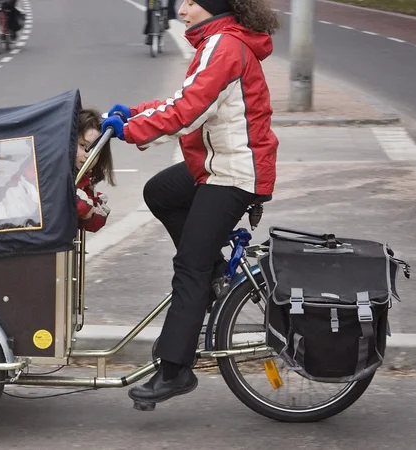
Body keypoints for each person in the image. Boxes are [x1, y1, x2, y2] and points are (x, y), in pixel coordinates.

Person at [100, 0, 280, 406]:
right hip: (220, 165)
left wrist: (131, 130)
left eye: (190, 2)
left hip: (236, 173)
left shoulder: (224, 46)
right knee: (160, 191)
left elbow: (187, 111)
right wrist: (135, 112)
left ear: (213, 6)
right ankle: (215, 272)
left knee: (189, 269)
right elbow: (187, 98)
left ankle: (174, 370)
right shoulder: (219, 41)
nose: (181, 9)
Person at [75, 108, 116, 232]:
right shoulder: (51, 170)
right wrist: (84, 207)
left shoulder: (85, 180)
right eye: (83, 146)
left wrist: (90, 212)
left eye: (95, 151)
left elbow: (96, 223)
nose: (88, 155)